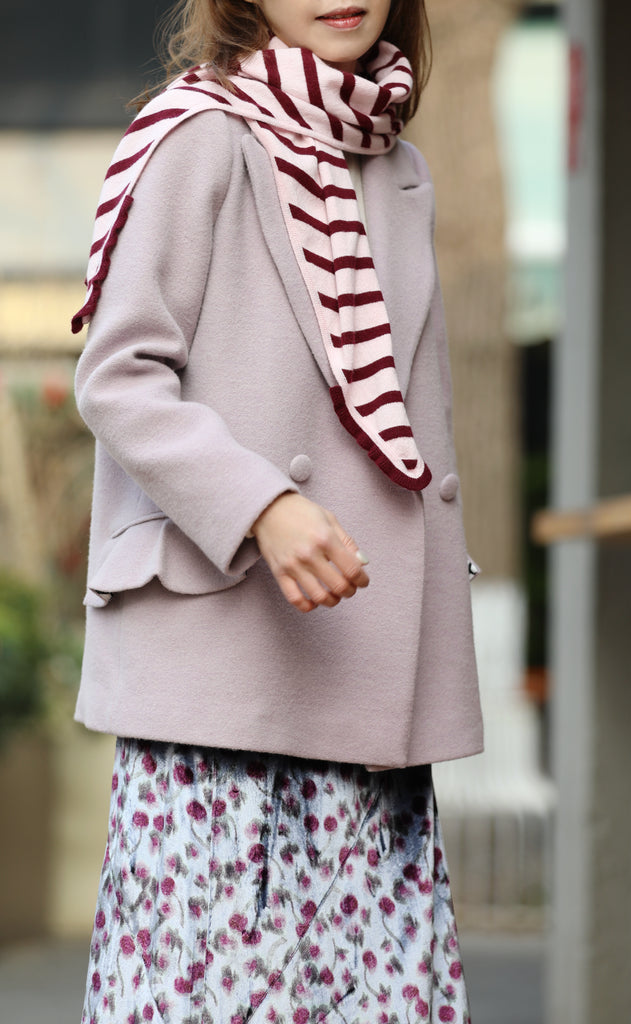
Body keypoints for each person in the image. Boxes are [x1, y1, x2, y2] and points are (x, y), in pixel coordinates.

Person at [72, 1, 484, 1021]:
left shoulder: (398, 164)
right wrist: (261, 504)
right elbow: (119, 376)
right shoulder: (198, 134)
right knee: (207, 998)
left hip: (370, 692)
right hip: (223, 687)